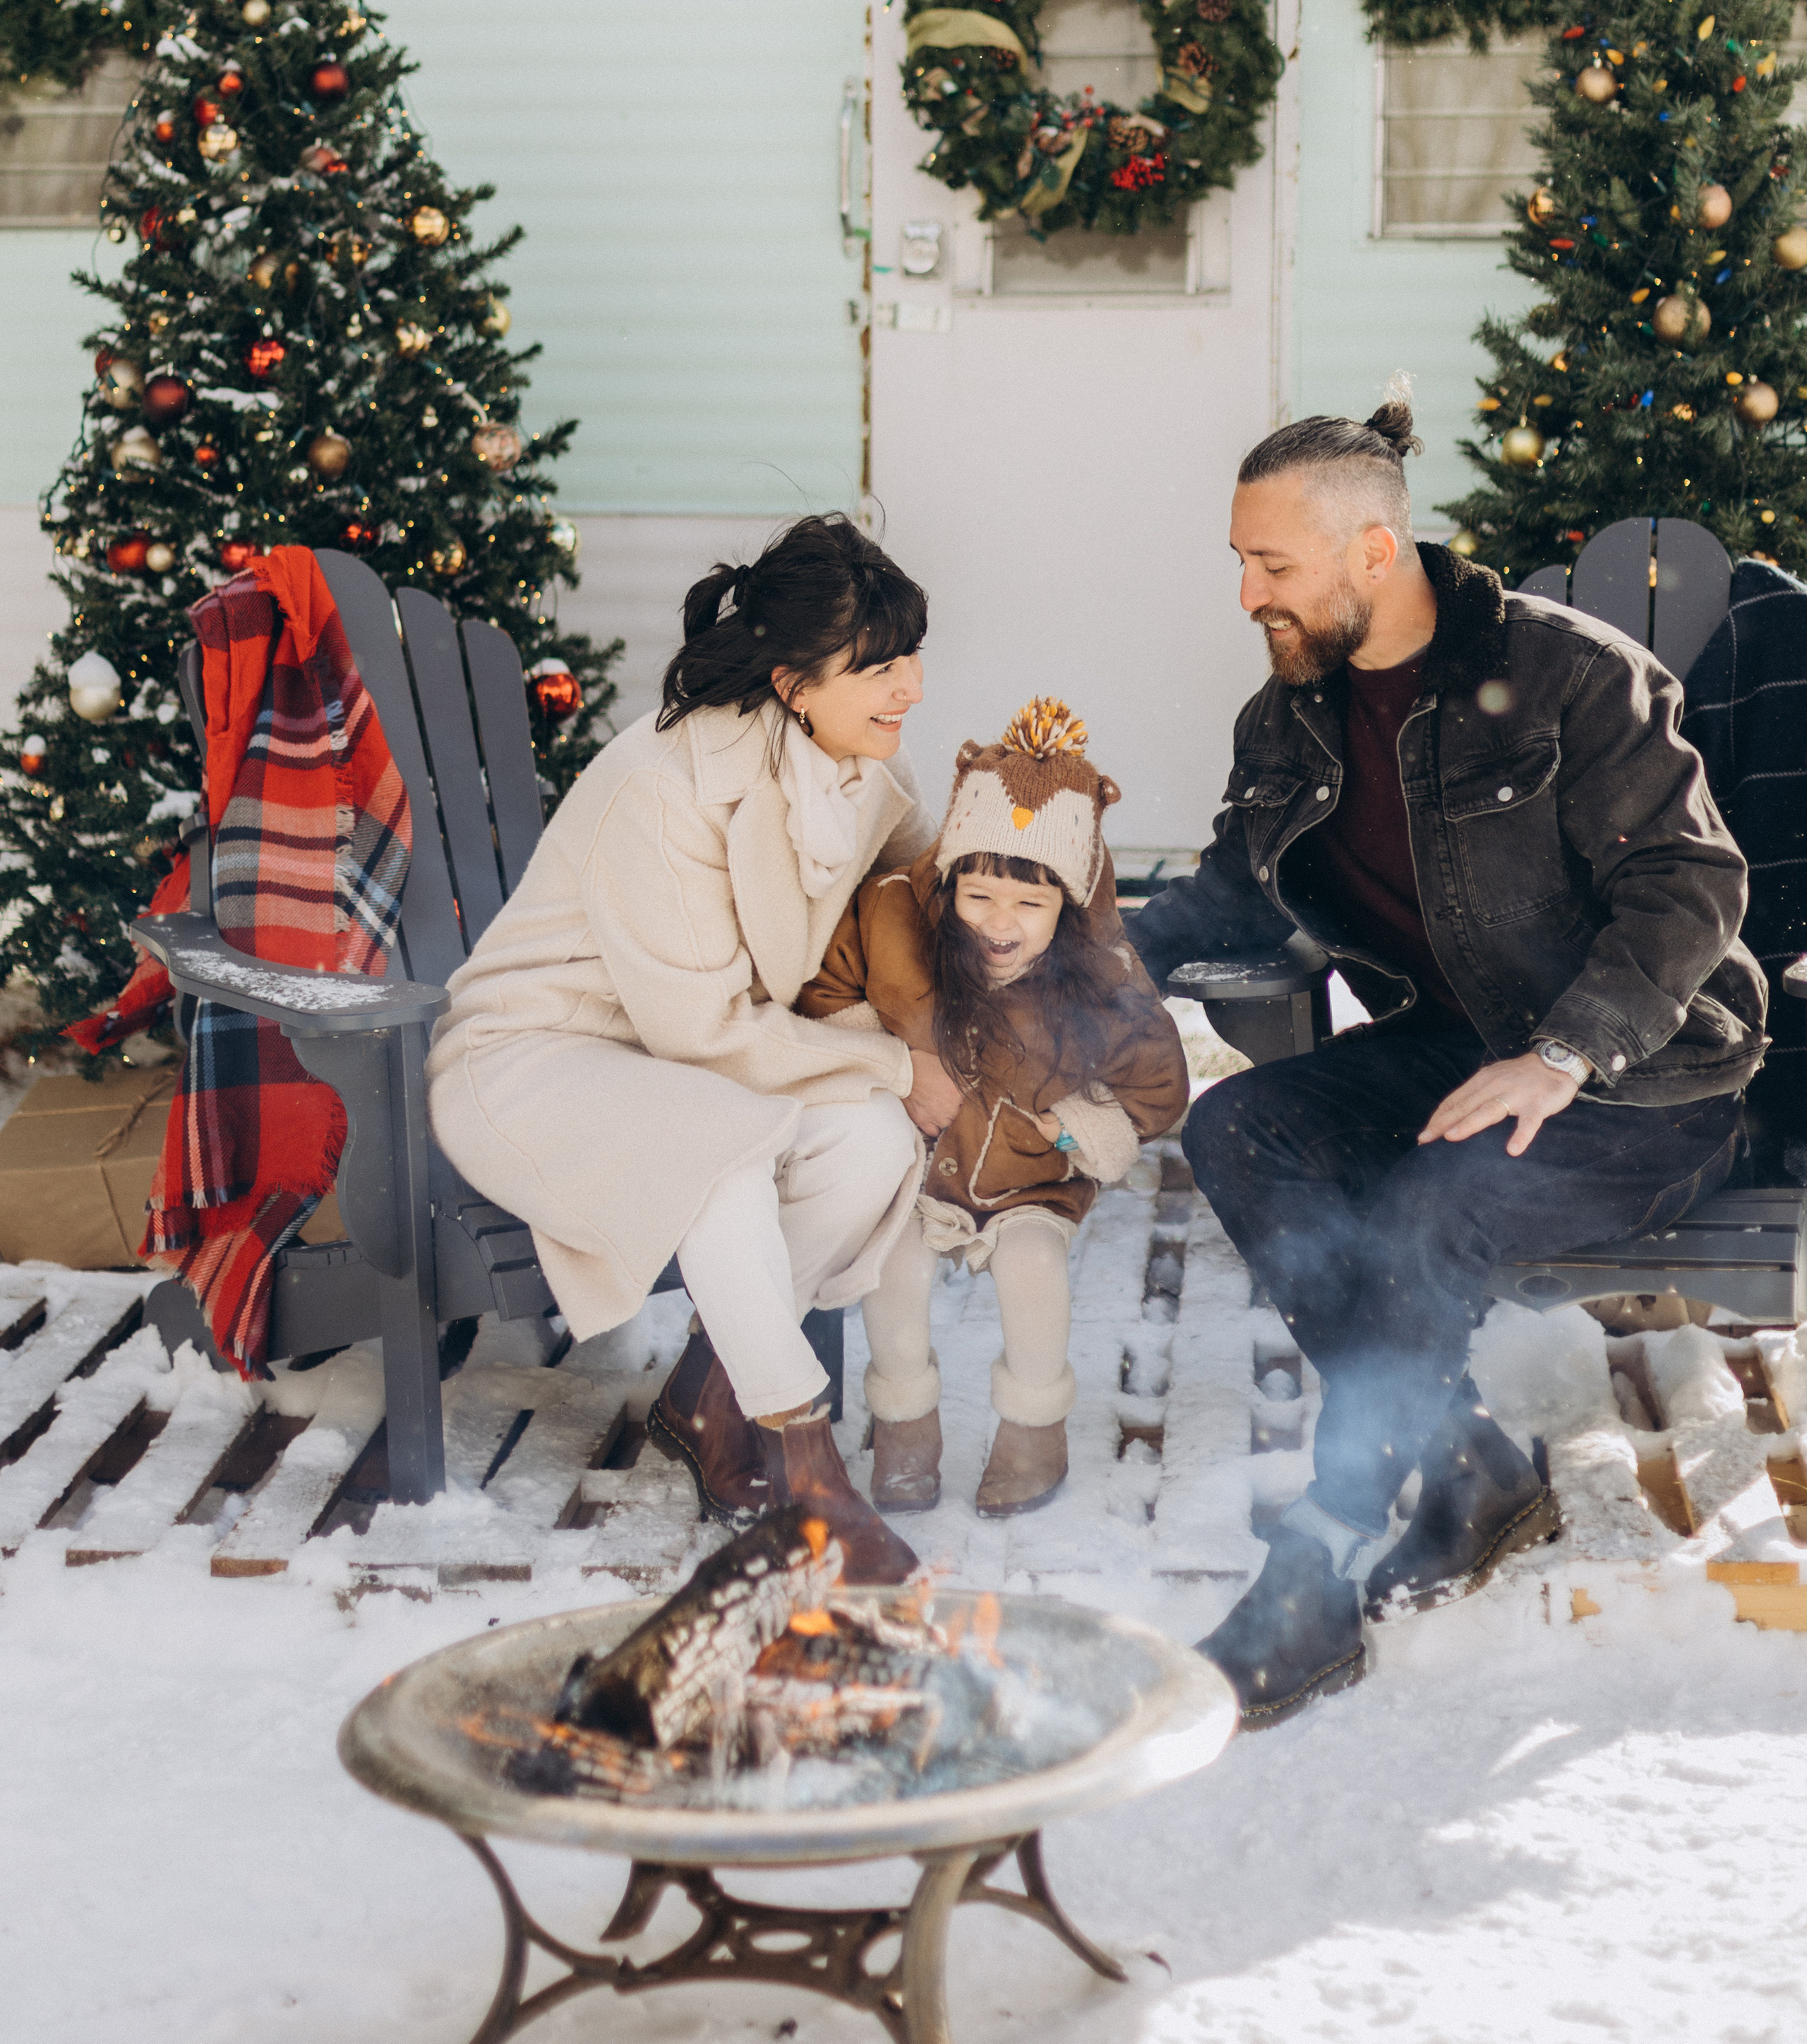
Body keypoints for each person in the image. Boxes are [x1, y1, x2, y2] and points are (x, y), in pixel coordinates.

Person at [1127, 387, 1766, 1728]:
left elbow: (1691, 888)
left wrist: (1564, 1054)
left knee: (1433, 1200)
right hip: (1453, 1054)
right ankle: (1464, 1459)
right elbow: (1233, 899)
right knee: (1241, 1130)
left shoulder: (1572, 676)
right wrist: (1077, 960)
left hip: (1647, 1080)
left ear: (1374, 552)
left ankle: (1325, 1542)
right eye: (1240, 562)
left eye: (1273, 564)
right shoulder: (1291, 718)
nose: (1248, 593)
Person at [425, 512, 969, 1585]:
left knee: (869, 1142)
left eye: (911, 658)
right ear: (791, 683)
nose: (908, 687)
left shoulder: (852, 769)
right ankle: (807, 1467)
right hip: (535, 1062)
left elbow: (934, 879)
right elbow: (702, 1033)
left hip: (680, 1070)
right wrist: (905, 1067)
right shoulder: (665, 784)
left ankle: (709, 1390)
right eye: (879, 667)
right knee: (723, 1156)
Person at [799, 699, 1188, 1517]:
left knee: (1032, 1268)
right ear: (948, 885)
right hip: (916, 1170)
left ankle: (1031, 1430)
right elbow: (826, 990)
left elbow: (1159, 1085)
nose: (998, 925)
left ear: (1069, 910)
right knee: (891, 1267)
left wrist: (1081, 1123)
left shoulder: (1104, 977)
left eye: (1030, 906)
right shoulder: (893, 921)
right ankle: (904, 1426)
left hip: (1024, 1180)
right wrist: (888, 1060)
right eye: (978, 897)